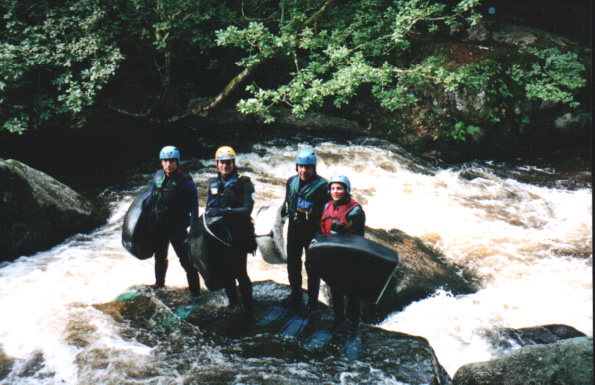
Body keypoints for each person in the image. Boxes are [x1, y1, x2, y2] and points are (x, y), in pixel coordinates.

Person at [144, 146, 201, 299]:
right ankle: (159, 285)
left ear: (177, 162)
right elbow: (151, 199)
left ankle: (195, 293)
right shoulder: (157, 178)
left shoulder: (187, 182)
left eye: (172, 161)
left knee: (187, 262)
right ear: (161, 162)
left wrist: (193, 231)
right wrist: (141, 215)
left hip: (177, 228)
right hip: (159, 226)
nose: (168, 164)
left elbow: (194, 208)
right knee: (160, 258)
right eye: (165, 161)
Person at [205, 146, 256, 314]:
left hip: (239, 235)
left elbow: (247, 209)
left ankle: (248, 306)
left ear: (233, 163)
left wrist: (226, 211)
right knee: (226, 272)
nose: (224, 166)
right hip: (220, 236)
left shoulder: (244, 183)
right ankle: (233, 303)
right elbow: (208, 210)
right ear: (217, 164)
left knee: (240, 272)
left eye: (228, 163)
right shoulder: (213, 183)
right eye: (221, 163)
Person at [317, 174, 366, 334]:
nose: (335, 192)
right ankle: (339, 321)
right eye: (333, 188)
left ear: (346, 190)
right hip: (332, 254)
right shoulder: (326, 206)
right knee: (335, 289)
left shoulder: (355, 211)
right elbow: (320, 231)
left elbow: (359, 238)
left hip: (349, 256)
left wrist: (345, 231)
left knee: (352, 291)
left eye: (339, 188)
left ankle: (354, 324)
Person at [281, 149, 328, 310]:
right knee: (293, 264)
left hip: (312, 232)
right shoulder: (291, 182)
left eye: (307, 167)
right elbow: (287, 202)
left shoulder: (323, 187)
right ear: (296, 167)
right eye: (301, 167)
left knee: (312, 267)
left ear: (313, 168)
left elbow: (327, 213)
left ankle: (312, 302)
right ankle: (296, 295)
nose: (304, 171)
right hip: (294, 229)